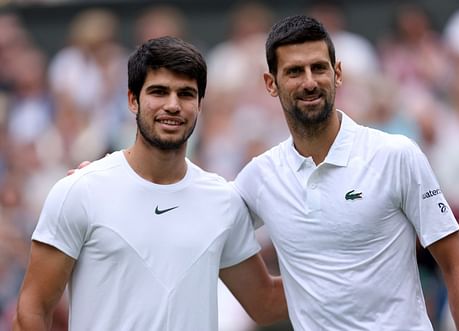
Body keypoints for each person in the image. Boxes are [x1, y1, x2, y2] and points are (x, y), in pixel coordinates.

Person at [13, 36, 287, 331]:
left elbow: (265, 303)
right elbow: (32, 311)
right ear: (133, 100)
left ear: (199, 104)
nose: (172, 105)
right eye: (159, 92)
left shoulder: (222, 200)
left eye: (185, 94)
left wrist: (340, 264)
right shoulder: (79, 191)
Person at [233, 15, 459, 330]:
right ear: (271, 84)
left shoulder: (395, 155)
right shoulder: (259, 177)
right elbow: (262, 304)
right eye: (295, 71)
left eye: (319, 68)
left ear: (337, 74)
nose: (309, 81)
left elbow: (457, 264)